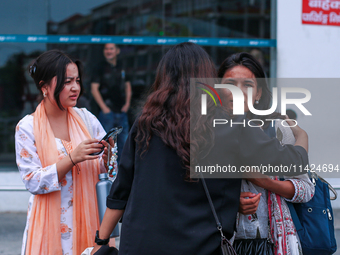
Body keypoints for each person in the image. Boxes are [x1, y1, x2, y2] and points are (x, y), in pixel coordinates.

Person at [91, 43, 309, 255]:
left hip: (140, 244)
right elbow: (296, 161)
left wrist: (101, 240)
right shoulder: (230, 126)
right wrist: (301, 135)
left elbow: (121, 190)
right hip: (199, 246)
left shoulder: (145, 123)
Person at [15, 50, 114, 255]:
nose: (75, 87)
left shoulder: (87, 119)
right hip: (50, 227)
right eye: (67, 81)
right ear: (44, 87)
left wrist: (108, 159)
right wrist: (72, 159)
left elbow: (110, 174)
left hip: (90, 221)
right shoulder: (27, 127)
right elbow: (32, 181)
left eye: (77, 80)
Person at [218, 52, 314, 255]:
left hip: (277, 243)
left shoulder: (278, 130)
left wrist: (265, 182)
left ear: (259, 93)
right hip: (224, 243)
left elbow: (306, 189)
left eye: (248, 85)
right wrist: (233, 203)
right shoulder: (205, 133)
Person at [91, 43, 132, 162]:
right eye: (106, 49)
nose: (108, 51)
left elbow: (127, 86)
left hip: (122, 112)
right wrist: (104, 108)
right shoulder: (99, 67)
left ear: (117, 51)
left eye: (111, 48)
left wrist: (127, 104)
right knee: (105, 146)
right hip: (107, 113)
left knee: (124, 145)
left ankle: (121, 175)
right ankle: (107, 174)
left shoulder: (122, 67)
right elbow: (94, 89)